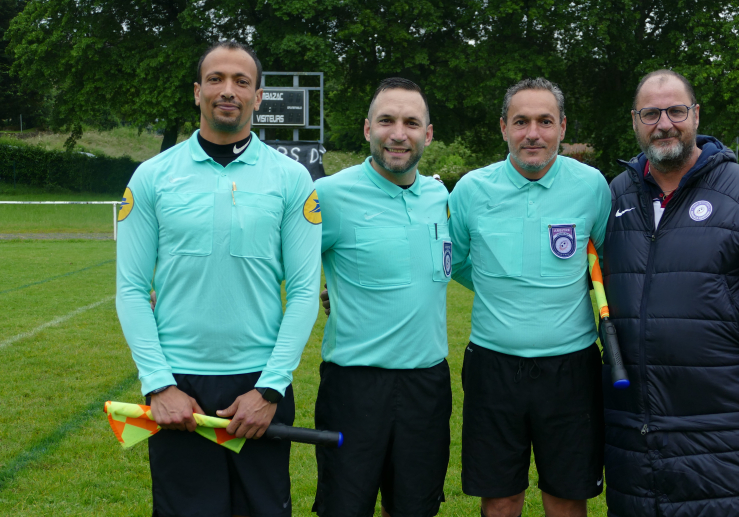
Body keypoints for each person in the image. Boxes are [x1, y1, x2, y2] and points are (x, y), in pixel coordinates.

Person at [115, 41, 322, 517]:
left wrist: (270, 389)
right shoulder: (152, 176)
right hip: (177, 389)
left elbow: (305, 290)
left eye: (241, 81)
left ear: (258, 96)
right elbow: (129, 288)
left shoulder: (291, 179)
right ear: (197, 91)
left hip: (260, 388)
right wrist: (158, 384)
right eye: (216, 79)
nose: (227, 90)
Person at [601, 70, 739, 517]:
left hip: (727, 421)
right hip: (636, 427)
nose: (664, 124)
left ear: (696, 114)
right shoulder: (615, 195)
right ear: (635, 121)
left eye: (676, 111)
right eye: (650, 113)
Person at [449, 78, 612, 517]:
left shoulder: (593, 187)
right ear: (504, 127)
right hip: (492, 366)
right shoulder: (470, 190)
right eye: (521, 122)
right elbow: (458, 262)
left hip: (572, 368)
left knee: (566, 496)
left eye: (544, 121)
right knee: (500, 499)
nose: (532, 134)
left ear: (562, 126)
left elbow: (605, 261)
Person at [312, 78, 452, 517]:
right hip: (355, 386)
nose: (398, 133)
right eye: (387, 120)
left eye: (412, 122)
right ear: (367, 128)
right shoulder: (330, 196)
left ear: (427, 134)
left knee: (415, 507)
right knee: (345, 508)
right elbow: (274, 266)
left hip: (428, 384)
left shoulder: (438, 195)